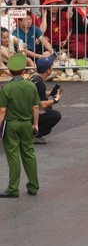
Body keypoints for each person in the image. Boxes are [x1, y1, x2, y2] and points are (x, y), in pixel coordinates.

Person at [0, 53, 41, 198]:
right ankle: (33, 186)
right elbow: (35, 107)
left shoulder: (6, 89)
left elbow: (2, 112)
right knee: (29, 154)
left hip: (11, 125)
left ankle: (13, 188)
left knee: (13, 156)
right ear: (24, 71)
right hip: (26, 123)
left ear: (10, 72)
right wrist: (35, 124)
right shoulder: (31, 86)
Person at [29, 55, 62, 144]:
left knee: (48, 109)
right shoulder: (40, 83)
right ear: (48, 70)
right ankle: (35, 135)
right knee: (55, 115)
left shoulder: (33, 78)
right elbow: (43, 104)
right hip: (30, 113)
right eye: (51, 66)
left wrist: (50, 93)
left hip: (25, 110)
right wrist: (56, 99)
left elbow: (38, 93)